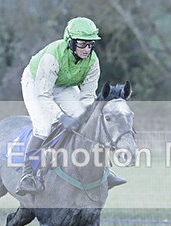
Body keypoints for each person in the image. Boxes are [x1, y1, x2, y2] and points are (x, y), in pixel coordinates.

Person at [16, 16, 126, 195]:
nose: (87, 49)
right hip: (36, 83)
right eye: (82, 44)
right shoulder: (52, 57)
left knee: (86, 121)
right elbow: (44, 96)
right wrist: (61, 117)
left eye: (90, 44)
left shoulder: (93, 61)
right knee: (43, 127)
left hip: (63, 85)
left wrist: (87, 117)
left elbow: (88, 96)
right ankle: (27, 175)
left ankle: (105, 169)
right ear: (71, 42)